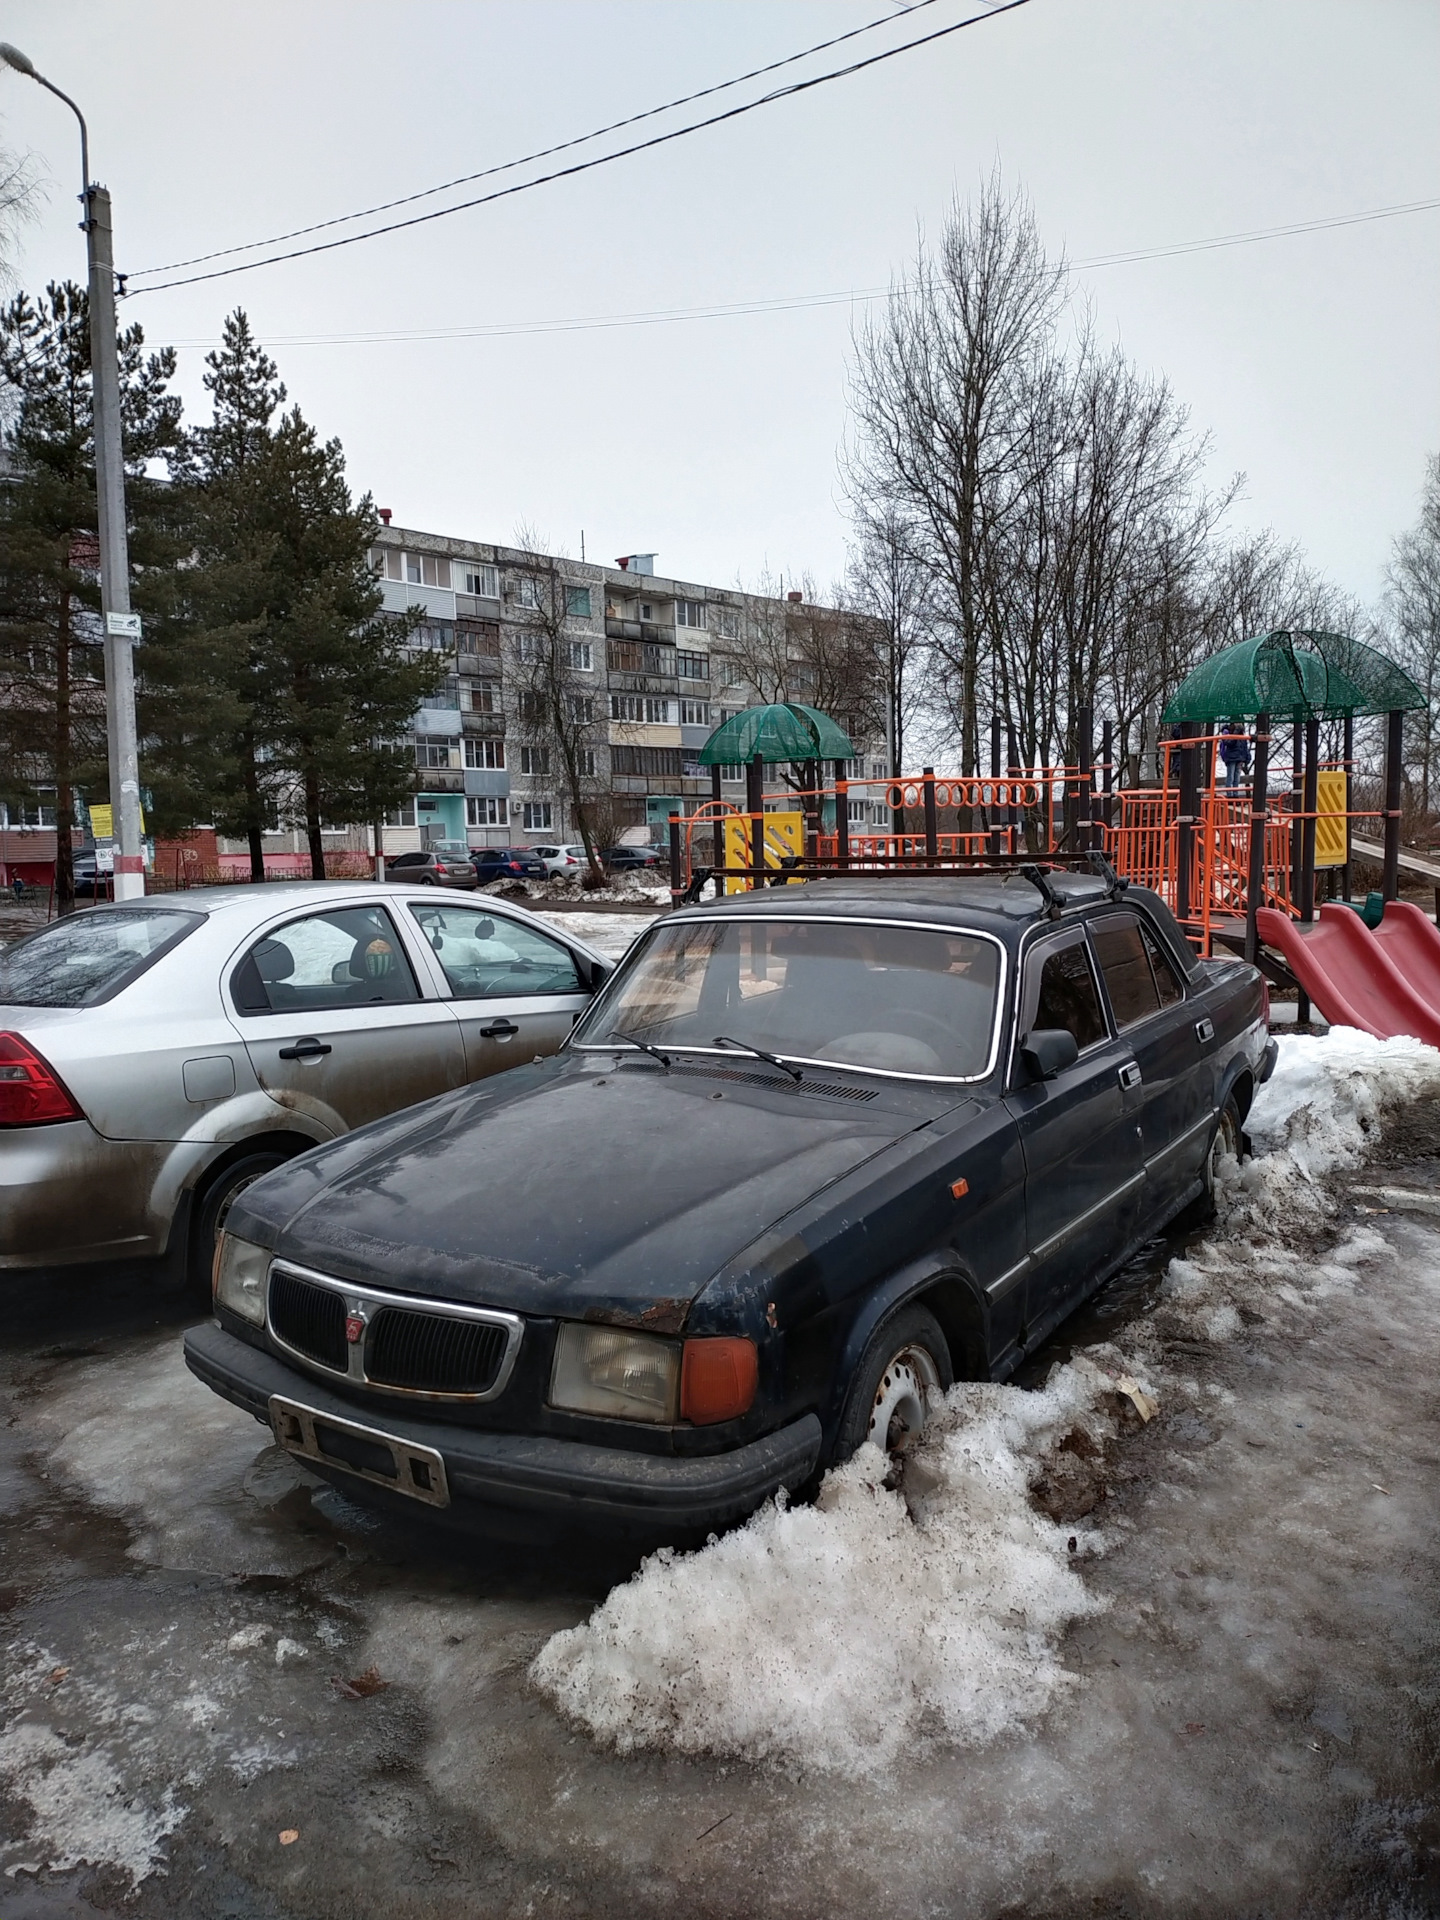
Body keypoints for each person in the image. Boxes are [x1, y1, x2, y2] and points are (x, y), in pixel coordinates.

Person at [1218, 720, 1252, 790]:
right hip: (1231, 758)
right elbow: (1229, 742)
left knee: (1237, 778)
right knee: (1231, 777)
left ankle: (1235, 794)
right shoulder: (1227, 733)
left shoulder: (1241, 736)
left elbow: (1245, 747)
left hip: (1239, 758)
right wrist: (1236, 732)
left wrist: (1247, 757)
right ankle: (1230, 795)